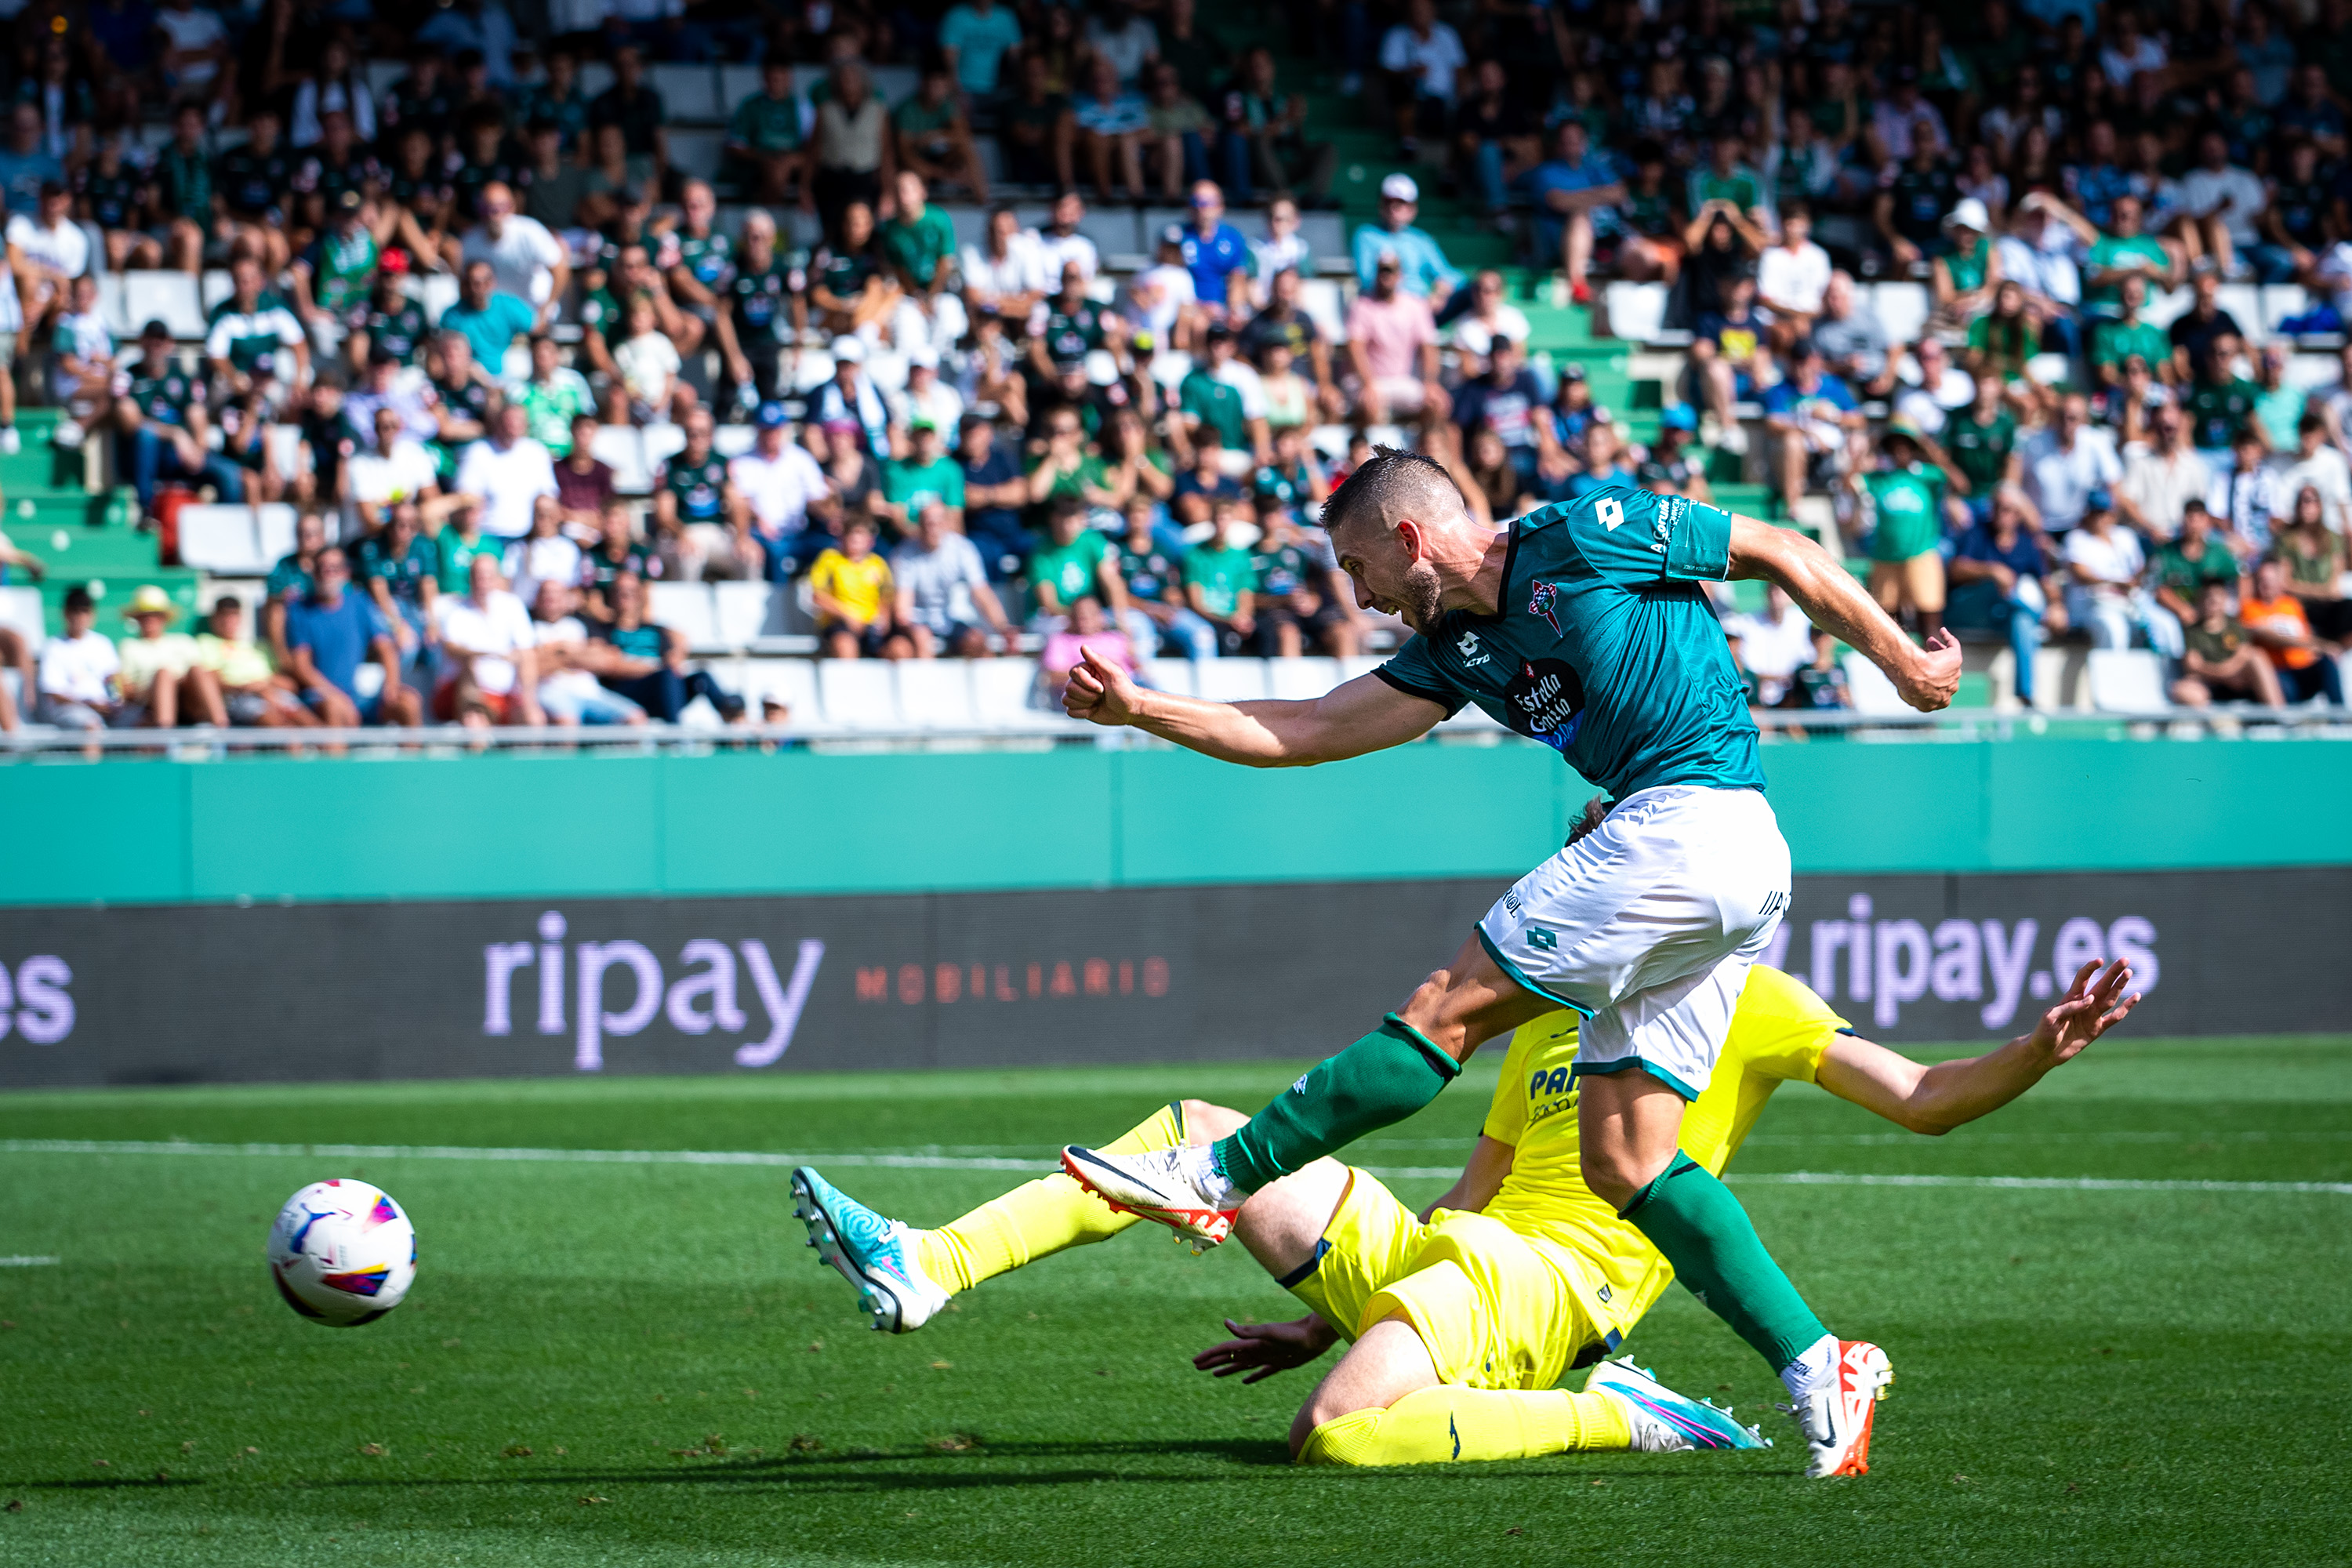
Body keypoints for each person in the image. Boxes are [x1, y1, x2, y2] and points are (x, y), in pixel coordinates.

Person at [1054, 446, 1961, 1479]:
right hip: (1724, 866)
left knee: (1445, 1008)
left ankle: (1219, 1173)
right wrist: (1142, 710)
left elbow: (1783, 549)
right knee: (1626, 1161)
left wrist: (1901, 660)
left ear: (1409, 539)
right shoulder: (1454, 652)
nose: (1362, 598)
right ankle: (1819, 1366)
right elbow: (1303, 728)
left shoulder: (1585, 533)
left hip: (1691, 823)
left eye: (1361, 571)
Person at [793, 959, 2137, 1468]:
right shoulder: (1547, 1016)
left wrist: (2036, 1049)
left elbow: (1921, 1096)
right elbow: (1469, 1199)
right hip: (1470, 1254)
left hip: (1557, 1288)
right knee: (1201, 1134)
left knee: (1338, 1441)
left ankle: (1618, 1410)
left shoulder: (1748, 996)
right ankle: (928, 1263)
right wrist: (1318, 1318)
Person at [1947, 487, 2066, 708]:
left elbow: (2046, 581)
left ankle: (2025, 694)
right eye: (1998, 508)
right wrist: (1991, 570)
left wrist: (2057, 605)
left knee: (2022, 621)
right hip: (1969, 609)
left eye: (2009, 509)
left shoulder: (2026, 542)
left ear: (2019, 514)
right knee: (2000, 588)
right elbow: (1955, 569)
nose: (2002, 513)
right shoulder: (1977, 533)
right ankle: (2037, 615)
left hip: (2004, 612)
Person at [285, 546, 423, 727]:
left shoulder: (359, 603)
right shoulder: (299, 610)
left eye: (334, 568)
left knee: (409, 702)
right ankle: (336, 755)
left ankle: (413, 754)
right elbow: (302, 667)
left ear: (345, 573)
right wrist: (336, 696)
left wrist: (391, 685)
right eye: (322, 568)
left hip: (356, 697)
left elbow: (386, 648)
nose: (328, 574)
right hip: (318, 697)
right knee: (334, 708)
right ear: (314, 573)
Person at [591, 569, 747, 722]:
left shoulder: (656, 630)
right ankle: (676, 736)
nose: (625, 596)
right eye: (620, 591)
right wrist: (656, 669)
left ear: (639, 596)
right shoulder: (602, 631)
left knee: (701, 678)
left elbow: (675, 653)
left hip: (662, 688)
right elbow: (610, 666)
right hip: (626, 692)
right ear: (611, 596)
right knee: (667, 677)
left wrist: (674, 657)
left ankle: (734, 719)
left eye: (631, 592)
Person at [893, 503, 1014, 659]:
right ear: (920, 525)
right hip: (916, 622)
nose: (932, 529)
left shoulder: (962, 549)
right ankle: (926, 682)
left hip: (948, 621)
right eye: (928, 523)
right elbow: (903, 606)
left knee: (978, 642)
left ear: (946, 523)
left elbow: (982, 592)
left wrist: (1003, 627)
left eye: (937, 523)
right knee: (921, 640)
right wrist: (909, 626)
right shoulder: (904, 554)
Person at [1345, 252, 1447, 434]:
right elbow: (1356, 348)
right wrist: (1368, 383)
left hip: (1402, 380)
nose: (1387, 277)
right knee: (1371, 405)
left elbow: (1429, 347)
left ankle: (1427, 455)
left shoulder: (1416, 306)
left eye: (1391, 271)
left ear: (1400, 275)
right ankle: (1374, 459)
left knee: (1438, 404)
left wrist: (1430, 382)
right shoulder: (1362, 306)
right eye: (1383, 272)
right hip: (1371, 380)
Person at [530, 579, 646, 728]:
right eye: (546, 593)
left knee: (636, 718)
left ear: (566, 599)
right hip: (551, 693)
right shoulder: (529, 627)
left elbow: (604, 660)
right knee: (566, 723)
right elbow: (535, 666)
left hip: (591, 694)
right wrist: (578, 652)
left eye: (557, 594)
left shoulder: (581, 624)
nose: (551, 598)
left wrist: (557, 652)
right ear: (537, 599)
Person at [194, 595, 317, 729]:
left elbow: (290, 686)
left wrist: (265, 686)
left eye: (234, 615)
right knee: (282, 729)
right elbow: (212, 681)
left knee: (313, 726)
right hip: (240, 697)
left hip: (272, 693)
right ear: (214, 619)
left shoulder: (260, 647)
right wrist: (251, 688)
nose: (229, 621)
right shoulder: (206, 643)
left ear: (241, 618)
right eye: (224, 615)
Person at [2241, 556, 2347, 703]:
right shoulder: (2250, 607)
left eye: (2269, 580)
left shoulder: (2292, 605)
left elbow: (2306, 636)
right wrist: (2319, 645)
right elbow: (2271, 637)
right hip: (2277, 672)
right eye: (2261, 580)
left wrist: (2321, 649)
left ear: (2279, 582)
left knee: (2327, 661)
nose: (2265, 585)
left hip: (2302, 669)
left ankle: (2340, 717)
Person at [1350, 173, 1463, 310]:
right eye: (1389, 201)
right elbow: (1367, 281)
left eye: (1402, 203)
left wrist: (1440, 292)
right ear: (1381, 204)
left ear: (1413, 209)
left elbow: (1449, 274)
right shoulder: (1366, 236)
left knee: (1473, 291)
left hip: (1421, 309)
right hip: (1383, 307)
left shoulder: (1421, 239)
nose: (1394, 208)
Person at [455, 401, 559, 541]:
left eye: (519, 421)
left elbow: (548, 495)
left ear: (526, 424)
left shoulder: (537, 452)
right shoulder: (478, 452)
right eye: (509, 421)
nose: (513, 426)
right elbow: (466, 495)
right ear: (499, 423)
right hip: (487, 535)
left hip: (526, 538)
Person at [2171, 580, 2284, 708]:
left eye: (2217, 596)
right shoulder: (2192, 631)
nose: (2213, 601)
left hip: (2237, 683)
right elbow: (2192, 665)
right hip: (2209, 685)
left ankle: (2278, 714)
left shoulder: (2235, 627)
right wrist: (2224, 674)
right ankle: (2215, 724)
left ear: (2224, 599)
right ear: (2200, 600)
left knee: (2258, 656)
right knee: (2181, 691)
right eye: (2208, 596)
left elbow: (2245, 654)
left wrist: (2228, 672)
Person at [809, 517, 902, 659]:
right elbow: (819, 596)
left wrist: (884, 619)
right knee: (845, 645)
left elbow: (886, 596)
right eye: (851, 534)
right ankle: (850, 681)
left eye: (860, 534)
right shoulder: (830, 559)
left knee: (900, 649)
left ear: (870, 541)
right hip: (839, 624)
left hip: (872, 626)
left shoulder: (878, 564)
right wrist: (848, 617)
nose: (855, 538)